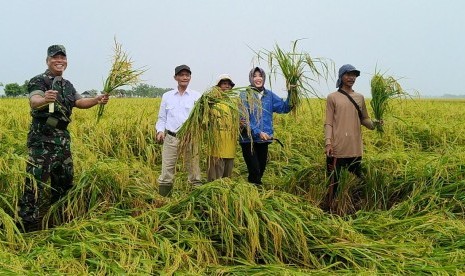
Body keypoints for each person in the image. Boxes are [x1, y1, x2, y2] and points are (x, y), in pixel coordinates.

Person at [19, 45, 109, 232]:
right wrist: (45, 100)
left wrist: (96, 100)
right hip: (42, 139)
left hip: (62, 139)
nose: (59, 60)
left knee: (64, 182)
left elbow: (79, 102)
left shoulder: (67, 85)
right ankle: (28, 225)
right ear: (47, 61)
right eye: (55, 58)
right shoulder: (39, 81)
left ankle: (57, 219)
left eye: (62, 57)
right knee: (34, 183)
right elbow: (34, 101)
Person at [324, 64, 380, 208]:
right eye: (348, 74)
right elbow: (328, 123)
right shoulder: (332, 98)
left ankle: (354, 205)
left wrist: (375, 124)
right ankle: (331, 208)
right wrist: (328, 143)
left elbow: (364, 119)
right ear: (341, 76)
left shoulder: (360, 97)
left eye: (354, 75)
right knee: (334, 183)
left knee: (357, 179)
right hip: (337, 148)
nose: (351, 78)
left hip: (355, 148)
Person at [239, 67, 293, 186]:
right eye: (255, 76)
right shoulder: (244, 95)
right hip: (248, 139)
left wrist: (292, 92)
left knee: (261, 169)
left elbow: (285, 108)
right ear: (251, 78)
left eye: (260, 76)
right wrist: (258, 132)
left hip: (263, 139)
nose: (258, 78)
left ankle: (252, 191)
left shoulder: (269, 95)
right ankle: (254, 197)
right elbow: (243, 119)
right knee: (255, 170)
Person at [155, 65, 201, 196]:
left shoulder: (196, 97)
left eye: (187, 75)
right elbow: (162, 118)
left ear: (190, 78)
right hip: (171, 138)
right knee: (166, 171)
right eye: (181, 75)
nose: (184, 77)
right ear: (175, 77)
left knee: (194, 171)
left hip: (190, 137)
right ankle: (164, 200)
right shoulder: (167, 96)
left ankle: (195, 199)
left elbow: (200, 119)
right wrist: (160, 131)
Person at [207, 74, 237, 181]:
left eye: (229, 84)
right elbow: (204, 123)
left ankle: (224, 196)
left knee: (226, 179)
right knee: (215, 179)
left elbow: (240, 121)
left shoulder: (235, 102)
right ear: (218, 86)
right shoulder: (211, 102)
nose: (227, 86)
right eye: (224, 83)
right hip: (216, 147)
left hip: (230, 146)